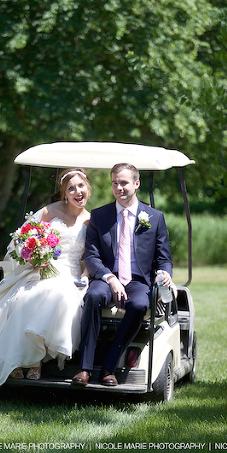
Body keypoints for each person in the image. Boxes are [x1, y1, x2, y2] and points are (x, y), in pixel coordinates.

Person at [0, 168, 92, 392]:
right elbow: (21, 240)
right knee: (24, 298)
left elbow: (90, 258)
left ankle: (35, 358)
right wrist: (34, 255)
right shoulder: (49, 211)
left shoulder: (91, 221)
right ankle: (18, 360)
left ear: (88, 188)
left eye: (81, 186)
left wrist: (85, 276)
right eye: (71, 188)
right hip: (41, 269)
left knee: (59, 294)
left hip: (70, 275)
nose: (77, 191)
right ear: (64, 193)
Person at [72, 162, 173, 387]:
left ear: (136, 184)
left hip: (138, 281)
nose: (119, 188)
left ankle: (109, 366)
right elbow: (91, 256)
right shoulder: (100, 215)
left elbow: (164, 257)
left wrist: (164, 273)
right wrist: (110, 278)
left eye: (124, 183)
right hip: (107, 278)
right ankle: (84, 368)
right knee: (94, 296)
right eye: (115, 183)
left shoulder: (154, 217)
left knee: (139, 305)